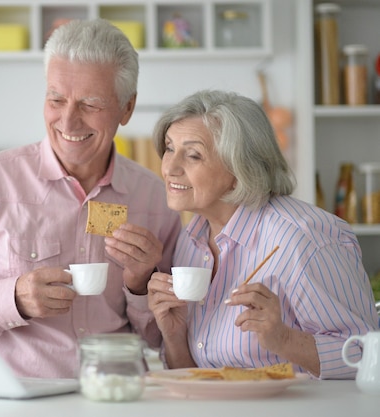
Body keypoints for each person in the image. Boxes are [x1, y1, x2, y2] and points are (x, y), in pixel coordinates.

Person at [0, 19, 182, 378]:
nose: (68, 121)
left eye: (91, 104)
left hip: (115, 395)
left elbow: (165, 340)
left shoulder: (155, 198)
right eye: (56, 99)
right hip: (16, 399)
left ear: (127, 109)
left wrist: (139, 284)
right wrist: (13, 299)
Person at [147, 89, 379, 379]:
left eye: (193, 155)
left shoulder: (304, 239)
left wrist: (284, 339)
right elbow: (197, 377)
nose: (169, 167)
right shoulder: (191, 240)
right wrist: (174, 335)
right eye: (169, 148)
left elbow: (367, 356)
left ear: (239, 169)